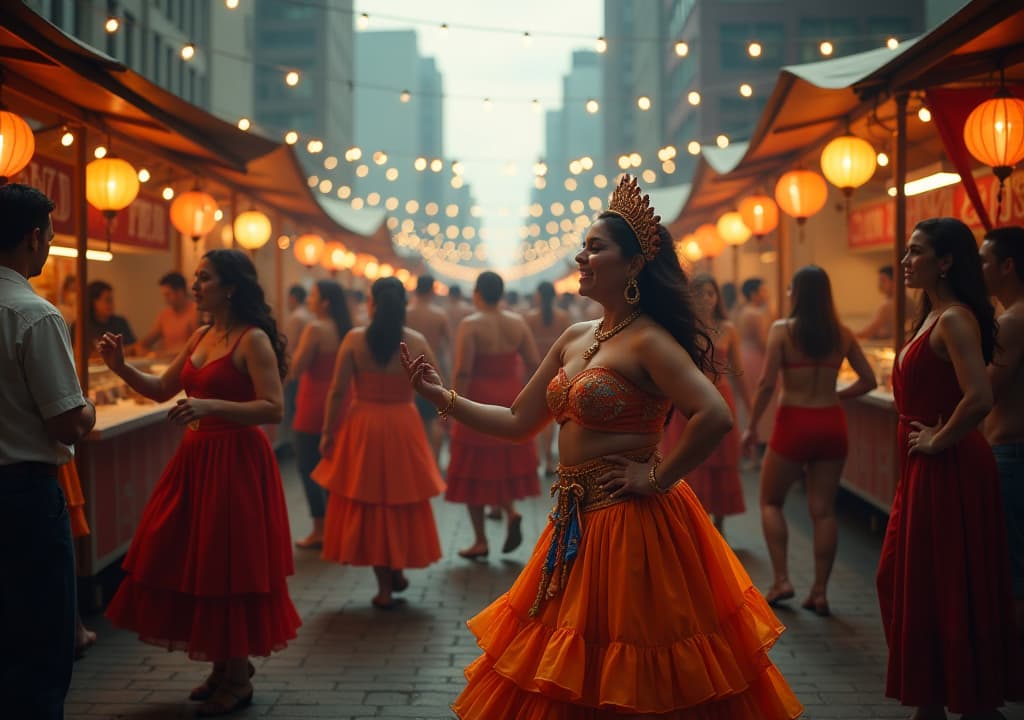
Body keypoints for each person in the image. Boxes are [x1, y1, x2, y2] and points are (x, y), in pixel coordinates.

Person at [403, 175, 802, 719]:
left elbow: (715, 415)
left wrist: (658, 478)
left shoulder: (651, 341)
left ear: (634, 265)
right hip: (574, 521)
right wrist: (440, 397)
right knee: (572, 668)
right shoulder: (576, 337)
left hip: (632, 523)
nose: (581, 257)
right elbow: (519, 420)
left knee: (632, 667)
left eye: (596, 248)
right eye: (583, 247)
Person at [97, 249, 300, 716]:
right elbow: (163, 388)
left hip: (237, 462)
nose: (195, 285)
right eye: (196, 277)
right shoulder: (202, 334)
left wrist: (213, 407)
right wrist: (121, 367)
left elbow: (274, 408)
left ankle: (237, 674)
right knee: (198, 558)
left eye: (204, 278)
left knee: (228, 562)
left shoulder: (253, 341)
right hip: (197, 459)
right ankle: (224, 667)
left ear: (230, 287)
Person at [877, 217, 1019, 719]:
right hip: (924, 466)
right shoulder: (933, 316)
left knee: (940, 581)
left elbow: (979, 396)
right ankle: (935, 696)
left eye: (916, 252)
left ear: (945, 261)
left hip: (949, 465)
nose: (906, 261)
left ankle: (955, 698)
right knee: (908, 578)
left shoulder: (955, 318)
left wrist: (939, 438)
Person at [0, 184, 96, 719]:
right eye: (51, 238)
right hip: (23, 499)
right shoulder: (33, 315)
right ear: (33, 238)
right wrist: (88, 411)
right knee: (37, 644)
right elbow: (66, 421)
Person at [742, 266, 876, 615]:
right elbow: (869, 380)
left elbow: (767, 383)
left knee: (771, 501)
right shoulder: (842, 333)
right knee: (824, 510)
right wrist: (837, 397)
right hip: (831, 422)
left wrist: (752, 426)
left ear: (797, 293)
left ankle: (782, 580)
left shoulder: (783, 331)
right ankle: (819, 592)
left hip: (794, 422)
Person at [313, 277, 445, 609]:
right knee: (400, 499)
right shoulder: (416, 342)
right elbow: (437, 386)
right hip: (404, 425)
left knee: (370, 500)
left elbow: (338, 390)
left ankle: (384, 586)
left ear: (371, 303)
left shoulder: (355, 340)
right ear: (402, 305)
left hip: (363, 426)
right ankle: (397, 568)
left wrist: (328, 432)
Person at [446, 271, 541, 559]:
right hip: (510, 395)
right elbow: (534, 362)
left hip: (477, 399)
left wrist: (452, 405)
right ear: (500, 293)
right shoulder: (517, 323)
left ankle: (480, 540)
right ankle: (510, 511)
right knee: (503, 460)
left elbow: (463, 370)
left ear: (477, 293)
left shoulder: (471, 325)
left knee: (474, 465)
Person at [661, 273, 753, 535]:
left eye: (710, 293)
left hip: (720, 398)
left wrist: (751, 408)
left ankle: (719, 527)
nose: (705, 299)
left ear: (717, 297)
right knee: (689, 462)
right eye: (699, 293)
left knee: (721, 461)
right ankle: (692, 524)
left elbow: (739, 372)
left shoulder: (728, 328)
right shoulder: (680, 327)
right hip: (687, 403)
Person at [980, 226, 1024, 652]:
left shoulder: (1011, 322)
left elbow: (985, 393)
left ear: (1008, 266)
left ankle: (1010, 663)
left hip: (1010, 451)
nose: (981, 270)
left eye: (985, 261)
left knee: (1012, 570)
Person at [288, 280, 351, 550]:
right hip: (343, 403)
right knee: (335, 468)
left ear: (325, 302)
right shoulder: (348, 329)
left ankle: (319, 529)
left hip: (314, 403)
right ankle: (337, 527)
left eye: (313, 296)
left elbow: (297, 368)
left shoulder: (315, 329)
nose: (310, 300)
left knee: (309, 467)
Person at [524, 280, 573, 475]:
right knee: (553, 418)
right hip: (559, 371)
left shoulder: (529, 318)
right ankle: (549, 460)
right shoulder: (563, 317)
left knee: (535, 417)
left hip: (536, 372)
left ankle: (537, 457)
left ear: (538, 295)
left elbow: (526, 351)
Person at [405, 274, 452, 462]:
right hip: (431, 371)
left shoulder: (405, 312)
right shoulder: (439, 315)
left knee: (411, 419)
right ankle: (432, 461)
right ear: (432, 290)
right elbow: (448, 348)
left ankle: (415, 461)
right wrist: (447, 378)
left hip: (406, 371)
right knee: (433, 421)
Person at [737, 277, 774, 457]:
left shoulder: (743, 311)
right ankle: (756, 444)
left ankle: (747, 444)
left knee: (746, 402)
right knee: (758, 402)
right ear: (753, 294)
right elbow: (763, 341)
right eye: (762, 291)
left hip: (744, 355)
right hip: (756, 359)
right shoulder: (756, 314)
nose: (765, 294)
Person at [279, 284, 313, 451]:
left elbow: (290, 348)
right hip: (308, 369)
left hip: (296, 369)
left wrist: (287, 373)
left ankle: (293, 444)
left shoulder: (296, 318)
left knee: (292, 408)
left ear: (293, 298)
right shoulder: (309, 316)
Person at [135, 272, 200, 356]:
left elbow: (197, 346)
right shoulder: (165, 315)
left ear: (180, 292)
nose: (165, 299)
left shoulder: (196, 312)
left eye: (168, 295)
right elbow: (146, 342)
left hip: (187, 363)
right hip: (166, 364)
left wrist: (164, 353)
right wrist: (140, 348)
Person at [74, 280, 136, 355]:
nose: (112, 304)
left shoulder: (120, 322)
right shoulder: (80, 326)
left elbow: (134, 347)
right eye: (108, 300)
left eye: (112, 300)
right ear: (93, 302)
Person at [855, 265, 897, 340]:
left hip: (888, 344)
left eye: (883, 281)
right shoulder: (896, 301)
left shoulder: (888, 305)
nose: (880, 284)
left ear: (895, 282)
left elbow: (867, 333)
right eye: (879, 280)